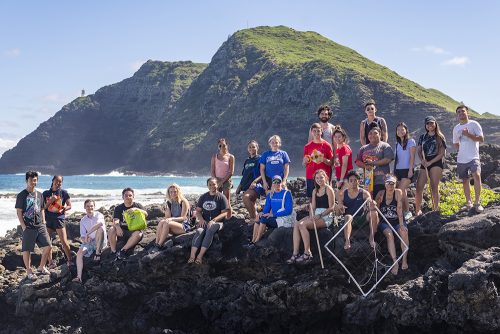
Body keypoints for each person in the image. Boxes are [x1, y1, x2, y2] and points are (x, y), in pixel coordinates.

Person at [287, 170, 334, 264]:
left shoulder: (328, 189)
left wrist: (319, 215)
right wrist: (311, 216)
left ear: (326, 178)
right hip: (315, 214)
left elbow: (332, 207)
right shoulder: (314, 191)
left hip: (326, 216)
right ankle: (295, 253)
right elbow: (313, 207)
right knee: (297, 224)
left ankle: (307, 253)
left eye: (321, 177)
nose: (319, 180)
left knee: (302, 225)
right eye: (317, 178)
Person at [15, 171, 51, 280]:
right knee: (27, 250)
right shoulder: (22, 195)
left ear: (37, 181)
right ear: (27, 181)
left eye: (35, 180)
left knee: (48, 246)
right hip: (28, 226)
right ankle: (29, 271)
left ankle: (41, 267)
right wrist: (23, 226)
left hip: (40, 225)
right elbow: (19, 212)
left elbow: (42, 209)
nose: (33, 182)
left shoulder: (39, 194)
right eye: (31, 180)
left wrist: (44, 221)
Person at [188, 178, 229, 264]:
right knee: (199, 231)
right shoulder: (203, 197)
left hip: (218, 222)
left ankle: (200, 256)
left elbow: (224, 213)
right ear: (207, 186)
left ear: (217, 185)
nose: (212, 186)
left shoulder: (221, 197)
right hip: (205, 221)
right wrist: (201, 219)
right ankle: (192, 256)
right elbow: (198, 211)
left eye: (214, 184)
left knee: (209, 230)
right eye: (210, 184)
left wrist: (213, 220)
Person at [453, 105, 485, 213]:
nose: (461, 113)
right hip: (461, 159)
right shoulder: (456, 128)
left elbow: (481, 139)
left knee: (477, 175)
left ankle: (477, 203)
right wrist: (461, 151)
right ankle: (469, 203)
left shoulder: (474, 124)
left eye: (463, 111)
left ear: (467, 113)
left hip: (473, 156)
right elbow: (456, 143)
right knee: (465, 180)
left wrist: (468, 134)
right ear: (457, 115)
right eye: (459, 112)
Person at [375, 174, 409, 275]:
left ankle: (404, 259)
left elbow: (399, 209)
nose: (390, 186)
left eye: (392, 183)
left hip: (397, 221)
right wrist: (377, 202)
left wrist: (402, 225)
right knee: (389, 235)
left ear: (395, 184)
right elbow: (375, 209)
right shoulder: (381, 193)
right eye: (388, 183)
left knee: (404, 233)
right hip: (385, 222)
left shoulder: (398, 192)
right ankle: (395, 262)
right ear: (385, 184)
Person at [335, 170, 378, 250]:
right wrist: (339, 207)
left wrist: (372, 203)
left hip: (362, 218)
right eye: (351, 181)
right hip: (350, 219)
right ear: (348, 182)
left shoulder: (364, 193)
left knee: (374, 213)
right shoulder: (343, 194)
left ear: (359, 181)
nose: (353, 182)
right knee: (348, 216)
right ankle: (347, 241)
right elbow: (338, 213)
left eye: (355, 180)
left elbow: (370, 203)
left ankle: (371, 238)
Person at [248, 175, 294, 245]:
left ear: (281, 182)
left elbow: (289, 211)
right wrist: (261, 213)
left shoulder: (287, 193)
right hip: (273, 219)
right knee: (259, 218)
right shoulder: (270, 195)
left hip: (282, 219)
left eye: (278, 182)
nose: (276, 184)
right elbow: (266, 208)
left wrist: (273, 214)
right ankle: (253, 241)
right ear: (272, 183)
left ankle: (256, 242)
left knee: (264, 219)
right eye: (274, 182)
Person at [415, 116, 447, 215]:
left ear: (435, 124)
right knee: (419, 186)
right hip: (425, 162)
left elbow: (442, 153)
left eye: (432, 123)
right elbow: (419, 151)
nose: (430, 125)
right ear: (425, 125)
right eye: (428, 123)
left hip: (436, 161)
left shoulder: (440, 136)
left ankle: (435, 209)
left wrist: (431, 162)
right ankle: (417, 210)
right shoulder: (422, 137)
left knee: (434, 186)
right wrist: (422, 160)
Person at [108, 187, 148, 260]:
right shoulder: (119, 208)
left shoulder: (138, 205)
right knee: (111, 229)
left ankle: (123, 250)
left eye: (130, 195)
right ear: (123, 197)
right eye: (126, 195)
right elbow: (116, 220)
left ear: (133, 196)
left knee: (139, 234)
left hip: (134, 232)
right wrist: (117, 227)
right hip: (122, 232)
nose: (128, 197)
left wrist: (136, 209)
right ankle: (113, 251)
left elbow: (146, 214)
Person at [73, 199, 107, 283]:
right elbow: (82, 236)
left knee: (100, 229)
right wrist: (86, 239)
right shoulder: (83, 220)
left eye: (91, 206)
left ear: (94, 207)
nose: (90, 208)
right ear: (85, 207)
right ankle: (79, 277)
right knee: (80, 253)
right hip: (90, 242)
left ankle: (98, 253)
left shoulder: (99, 215)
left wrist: (88, 233)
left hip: (100, 240)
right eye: (87, 206)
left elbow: (99, 224)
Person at [355, 127, 394, 199]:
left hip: (382, 180)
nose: (372, 135)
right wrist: (365, 166)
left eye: (375, 133)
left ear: (380, 135)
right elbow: (357, 161)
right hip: (368, 180)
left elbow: (388, 159)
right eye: (370, 133)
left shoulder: (385, 146)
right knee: (369, 201)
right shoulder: (363, 148)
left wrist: (373, 163)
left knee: (380, 200)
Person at [151, 184, 192, 253]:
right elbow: (167, 218)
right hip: (173, 226)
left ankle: (159, 245)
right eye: (171, 192)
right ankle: (156, 243)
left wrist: (171, 219)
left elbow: (184, 218)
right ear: (168, 193)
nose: (173, 193)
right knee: (161, 222)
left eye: (175, 191)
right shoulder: (169, 203)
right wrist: (166, 210)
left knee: (166, 222)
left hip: (184, 226)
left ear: (178, 192)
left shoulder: (183, 201)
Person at [43, 175, 72, 268]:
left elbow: (69, 205)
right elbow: (43, 208)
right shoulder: (46, 193)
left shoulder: (64, 193)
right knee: (47, 242)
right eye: (56, 181)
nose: (58, 183)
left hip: (59, 219)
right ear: (53, 181)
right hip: (48, 220)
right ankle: (51, 262)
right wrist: (51, 200)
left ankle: (70, 260)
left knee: (64, 241)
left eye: (60, 182)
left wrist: (64, 208)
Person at [303, 123, 333, 198]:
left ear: (321, 131)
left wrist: (324, 159)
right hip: (310, 176)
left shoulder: (327, 145)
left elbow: (331, 163)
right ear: (311, 132)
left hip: (323, 177)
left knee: (325, 197)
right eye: (314, 131)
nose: (316, 133)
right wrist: (304, 161)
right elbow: (304, 165)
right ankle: (312, 210)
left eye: (318, 131)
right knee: (311, 198)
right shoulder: (307, 146)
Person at [236, 140, 264, 223]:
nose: (252, 148)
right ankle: (256, 217)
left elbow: (263, 173)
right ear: (248, 149)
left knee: (246, 197)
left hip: (256, 185)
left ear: (257, 148)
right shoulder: (247, 161)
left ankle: (253, 218)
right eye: (250, 147)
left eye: (253, 147)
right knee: (252, 201)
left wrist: (255, 181)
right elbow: (244, 175)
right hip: (246, 185)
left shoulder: (261, 159)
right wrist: (239, 187)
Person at [393, 122, 416, 220]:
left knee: (400, 190)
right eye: (398, 130)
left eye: (402, 129)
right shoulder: (397, 144)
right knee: (403, 192)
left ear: (406, 130)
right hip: (397, 171)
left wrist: (411, 169)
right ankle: (402, 212)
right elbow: (396, 159)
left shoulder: (411, 141)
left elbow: (412, 156)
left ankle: (407, 211)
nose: (400, 131)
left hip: (407, 170)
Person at [211, 138, 234, 217]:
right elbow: (212, 171)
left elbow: (231, 172)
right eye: (220, 145)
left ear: (227, 145)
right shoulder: (214, 157)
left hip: (226, 180)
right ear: (218, 147)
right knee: (217, 199)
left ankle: (229, 218)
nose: (222, 147)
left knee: (226, 200)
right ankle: (219, 217)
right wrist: (215, 182)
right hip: (216, 180)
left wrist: (222, 182)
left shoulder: (231, 157)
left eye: (224, 145)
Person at [332, 126, 353, 190]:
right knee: (340, 197)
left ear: (343, 137)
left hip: (345, 177)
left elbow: (344, 165)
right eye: (335, 137)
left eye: (339, 137)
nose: (337, 138)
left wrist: (341, 180)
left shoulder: (344, 148)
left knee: (343, 196)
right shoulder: (338, 149)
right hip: (340, 176)